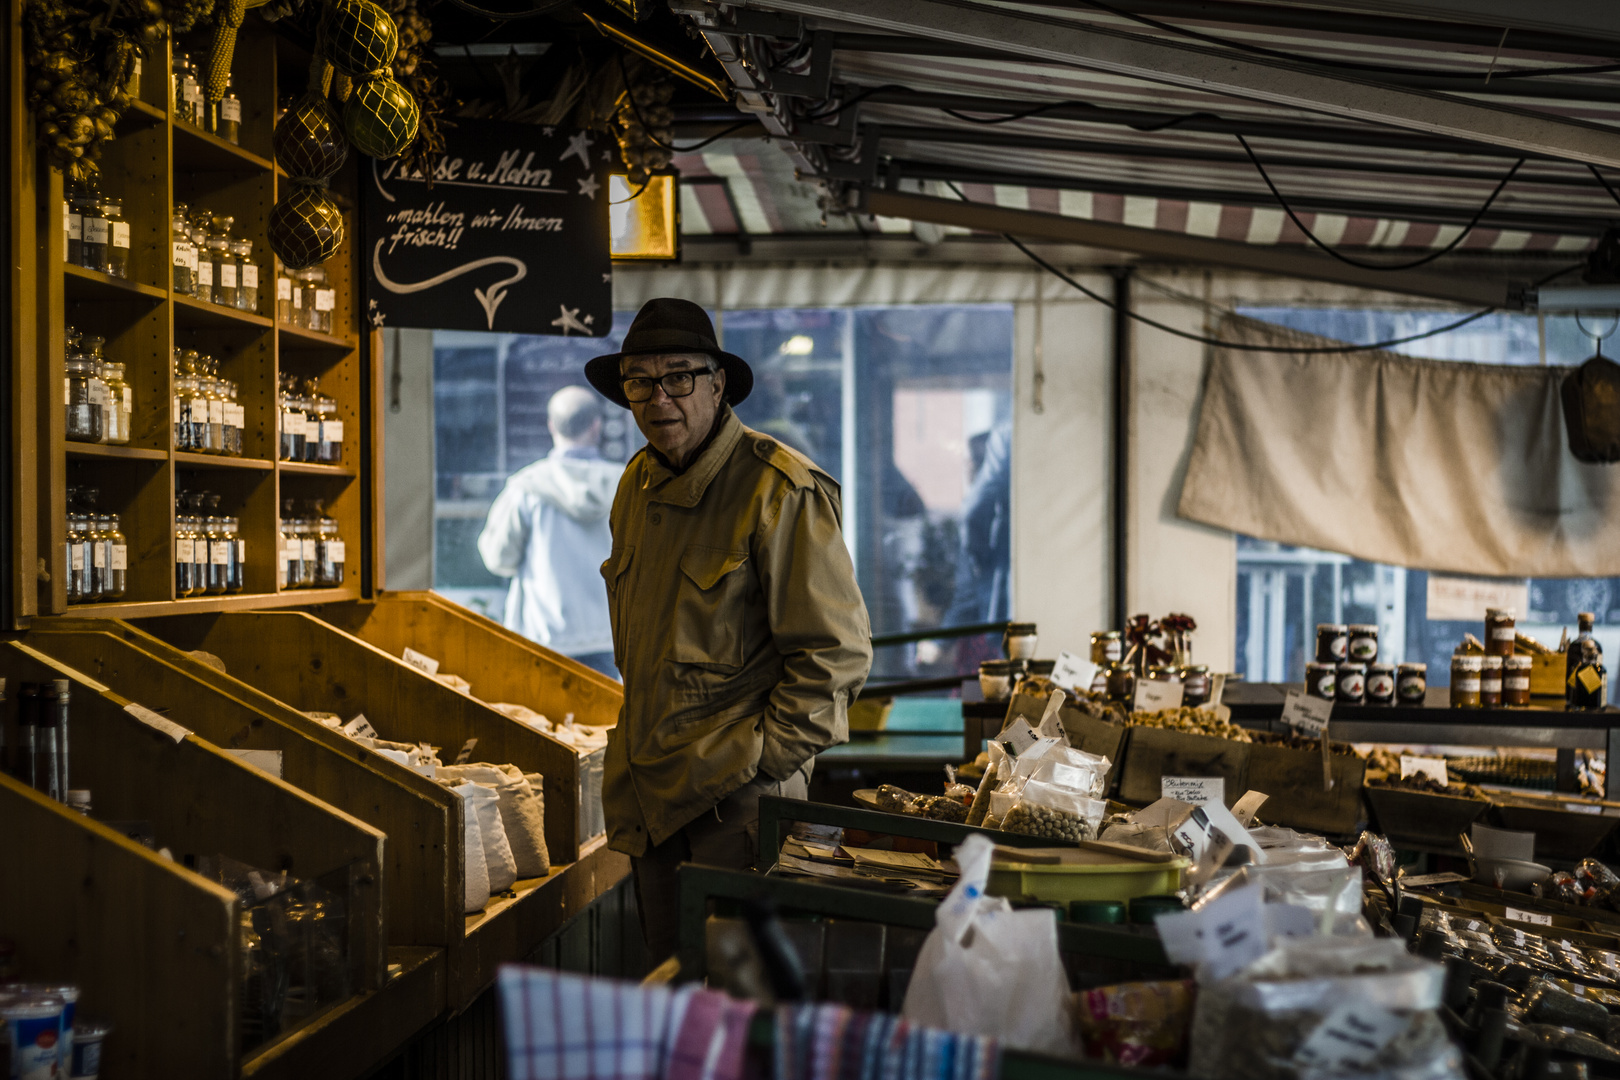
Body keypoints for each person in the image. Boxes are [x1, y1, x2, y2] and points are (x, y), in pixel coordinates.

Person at [584, 297, 873, 960]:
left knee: (742, 1017)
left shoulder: (779, 488)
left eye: (679, 376)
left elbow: (837, 658)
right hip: (651, 800)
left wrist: (757, 768)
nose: (660, 398)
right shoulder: (637, 484)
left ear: (718, 383)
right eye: (640, 381)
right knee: (680, 999)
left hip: (735, 807)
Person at [477, 385, 624, 678]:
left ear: (551, 426)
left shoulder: (526, 488)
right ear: (597, 426)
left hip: (542, 639)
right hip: (611, 638)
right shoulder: (628, 485)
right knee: (603, 723)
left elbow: (498, 559)